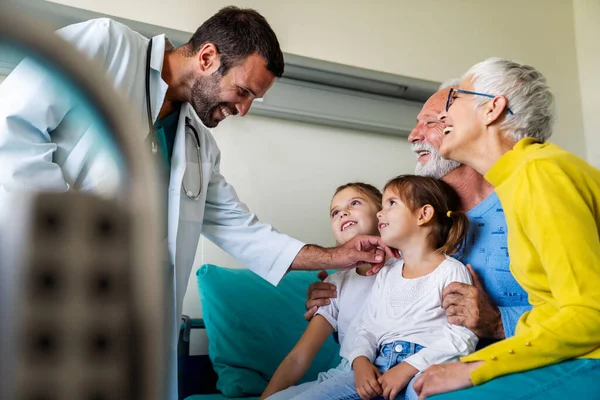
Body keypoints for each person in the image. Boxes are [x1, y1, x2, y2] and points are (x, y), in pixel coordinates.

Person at [0, 7, 389, 400]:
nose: (243, 109)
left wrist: (336, 256)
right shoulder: (107, 46)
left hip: (128, 319)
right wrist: (76, 242)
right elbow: (11, 129)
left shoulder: (198, 146)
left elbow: (244, 231)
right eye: (244, 91)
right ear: (207, 58)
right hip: (42, 286)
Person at [413, 57, 600, 399]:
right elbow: (552, 311)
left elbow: (590, 313)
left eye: (455, 100)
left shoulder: (540, 172)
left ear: (492, 109)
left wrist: (477, 366)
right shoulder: (521, 177)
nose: (445, 116)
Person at [305, 83, 530, 343]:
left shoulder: (528, 203)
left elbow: (581, 309)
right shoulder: (409, 231)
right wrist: (339, 300)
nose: (412, 135)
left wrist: (500, 323)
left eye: (432, 121)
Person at [283, 175, 478, 400]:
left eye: (391, 204)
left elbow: (461, 336)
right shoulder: (385, 274)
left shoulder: (451, 270)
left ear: (423, 214)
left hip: (423, 367)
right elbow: (368, 327)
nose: (380, 214)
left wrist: (407, 367)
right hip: (376, 366)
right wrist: (361, 360)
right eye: (335, 212)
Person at [262, 182, 383, 400]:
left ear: (383, 214)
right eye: (335, 212)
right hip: (343, 373)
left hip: (379, 372)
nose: (343, 213)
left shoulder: (408, 268)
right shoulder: (334, 285)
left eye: (354, 203)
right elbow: (298, 358)